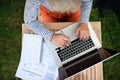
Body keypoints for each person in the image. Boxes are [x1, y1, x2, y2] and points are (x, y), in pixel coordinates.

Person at [24, 0, 93, 48]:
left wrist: (83, 22)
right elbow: (29, 21)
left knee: (75, 34)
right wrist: (51, 36)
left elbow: (87, 1)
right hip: (49, 13)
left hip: (73, 11)